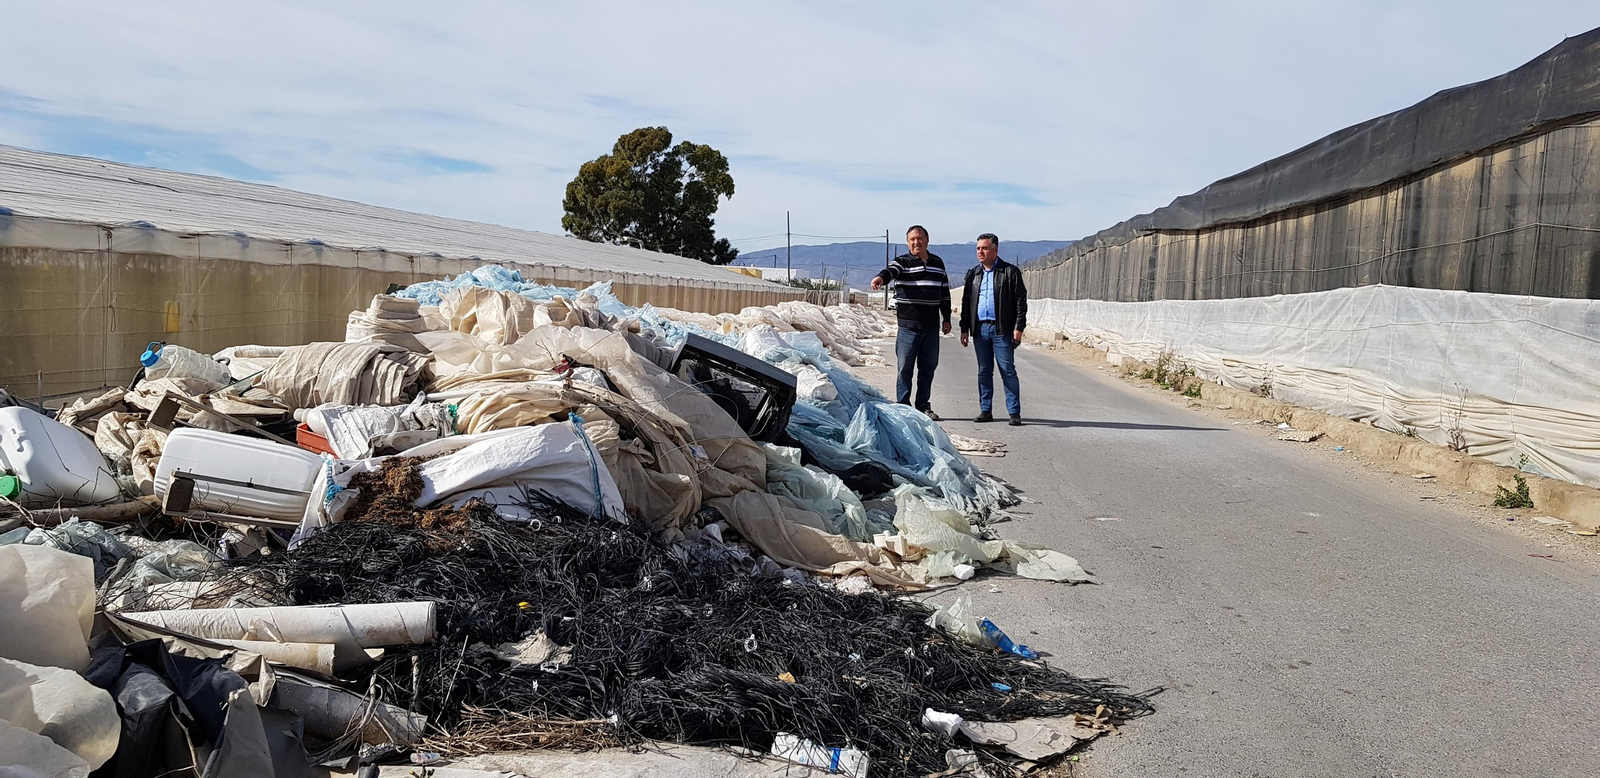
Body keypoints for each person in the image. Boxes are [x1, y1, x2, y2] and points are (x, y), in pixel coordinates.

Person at [871, 225, 952, 419]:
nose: (916, 242)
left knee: (928, 369)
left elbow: (944, 294)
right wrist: (880, 279)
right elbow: (890, 271)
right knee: (904, 368)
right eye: (912, 239)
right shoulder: (902, 262)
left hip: (931, 328)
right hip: (908, 328)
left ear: (927, 239)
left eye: (920, 238)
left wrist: (947, 318)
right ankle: (903, 406)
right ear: (908, 242)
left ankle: (923, 406)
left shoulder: (938, 263)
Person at [958, 233, 1028, 425]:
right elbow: (966, 303)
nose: (981, 252)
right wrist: (964, 328)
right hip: (980, 330)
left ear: (995, 250)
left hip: (1001, 330)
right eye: (978, 248)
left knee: (1007, 370)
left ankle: (1014, 412)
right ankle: (985, 410)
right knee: (983, 371)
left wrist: (1018, 327)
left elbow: (1021, 301)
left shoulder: (1010, 272)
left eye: (985, 248)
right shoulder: (973, 274)